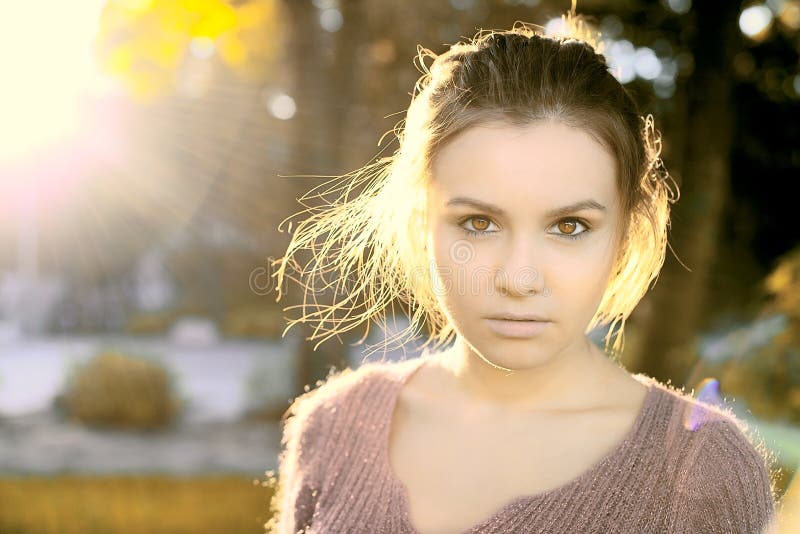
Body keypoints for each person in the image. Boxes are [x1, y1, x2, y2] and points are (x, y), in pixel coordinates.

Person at [264, 6, 779, 534]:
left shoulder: (699, 473)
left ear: (625, 233)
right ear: (422, 221)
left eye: (570, 227)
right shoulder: (332, 427)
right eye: (479, 223)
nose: (519, 278)